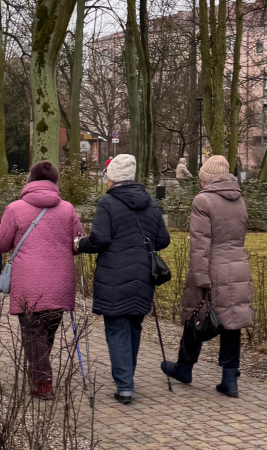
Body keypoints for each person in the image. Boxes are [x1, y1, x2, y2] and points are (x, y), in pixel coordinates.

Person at [76, 154, 170, 405]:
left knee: (117, 329)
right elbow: (163, 240)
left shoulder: (107, 202)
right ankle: (127, 378)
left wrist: (79, 245)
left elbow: (99, 240)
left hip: (114, 275)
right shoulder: (149, 203)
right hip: (142, 275)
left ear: (111, 178)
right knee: (133, 326)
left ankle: (125, 385)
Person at [160, 155, 254, 398]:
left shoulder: (202, 201)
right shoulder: (240, 199)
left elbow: (201, 245)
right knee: (233, 321)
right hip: (238, 265)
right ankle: (230, 379)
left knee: (197, 314)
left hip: (213, 265)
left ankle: (184, 367)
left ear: (207, 178)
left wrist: (200, 276)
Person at [0, 161, 84, 400]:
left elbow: (0, 244)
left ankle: (42, 382)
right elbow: (78, 244)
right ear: (55, 182)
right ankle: (39, 371)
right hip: (60, 281)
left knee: (34, 333)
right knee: (47, 330)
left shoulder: (14, 208)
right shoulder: (68, 209)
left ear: (29, 181)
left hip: (29, 284)